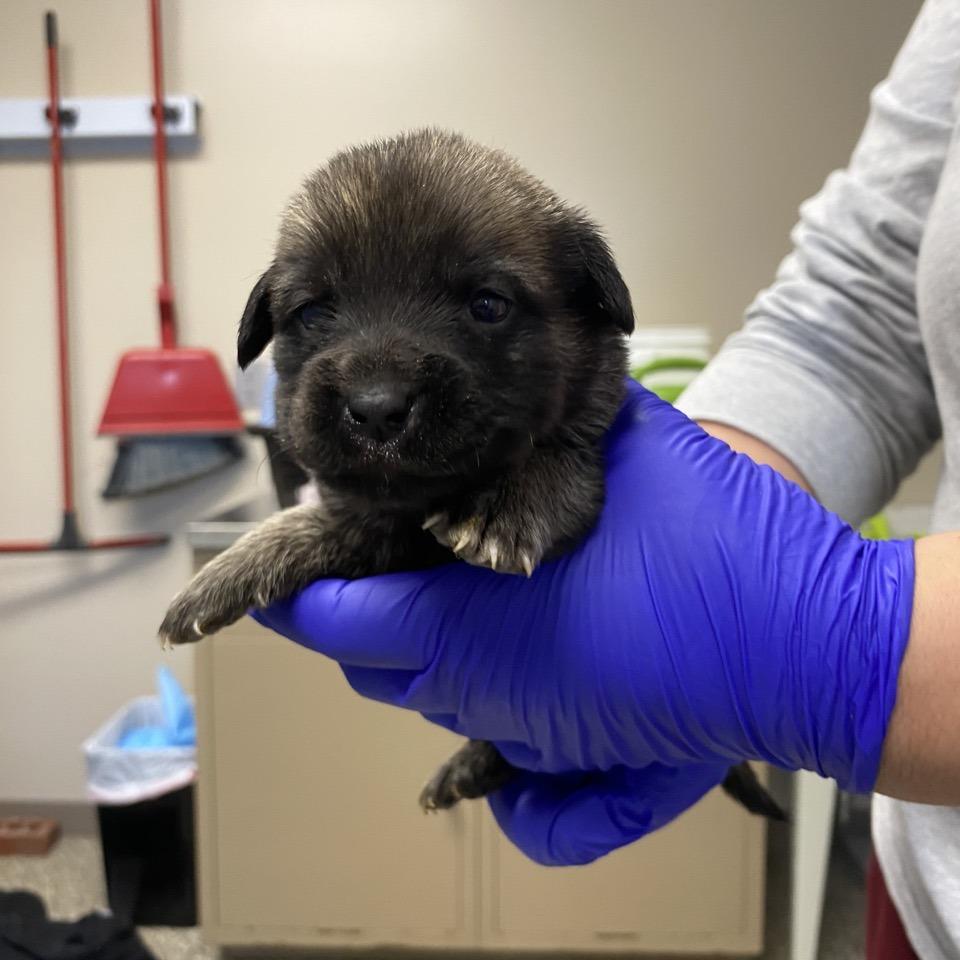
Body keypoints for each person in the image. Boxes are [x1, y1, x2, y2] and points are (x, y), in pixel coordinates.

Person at [254, 1, 960, 956]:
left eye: (486, 304)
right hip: (932, 871)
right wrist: (713, 561)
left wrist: (854, 653)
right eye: (314, 311)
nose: (375, 387)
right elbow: (865, 305)